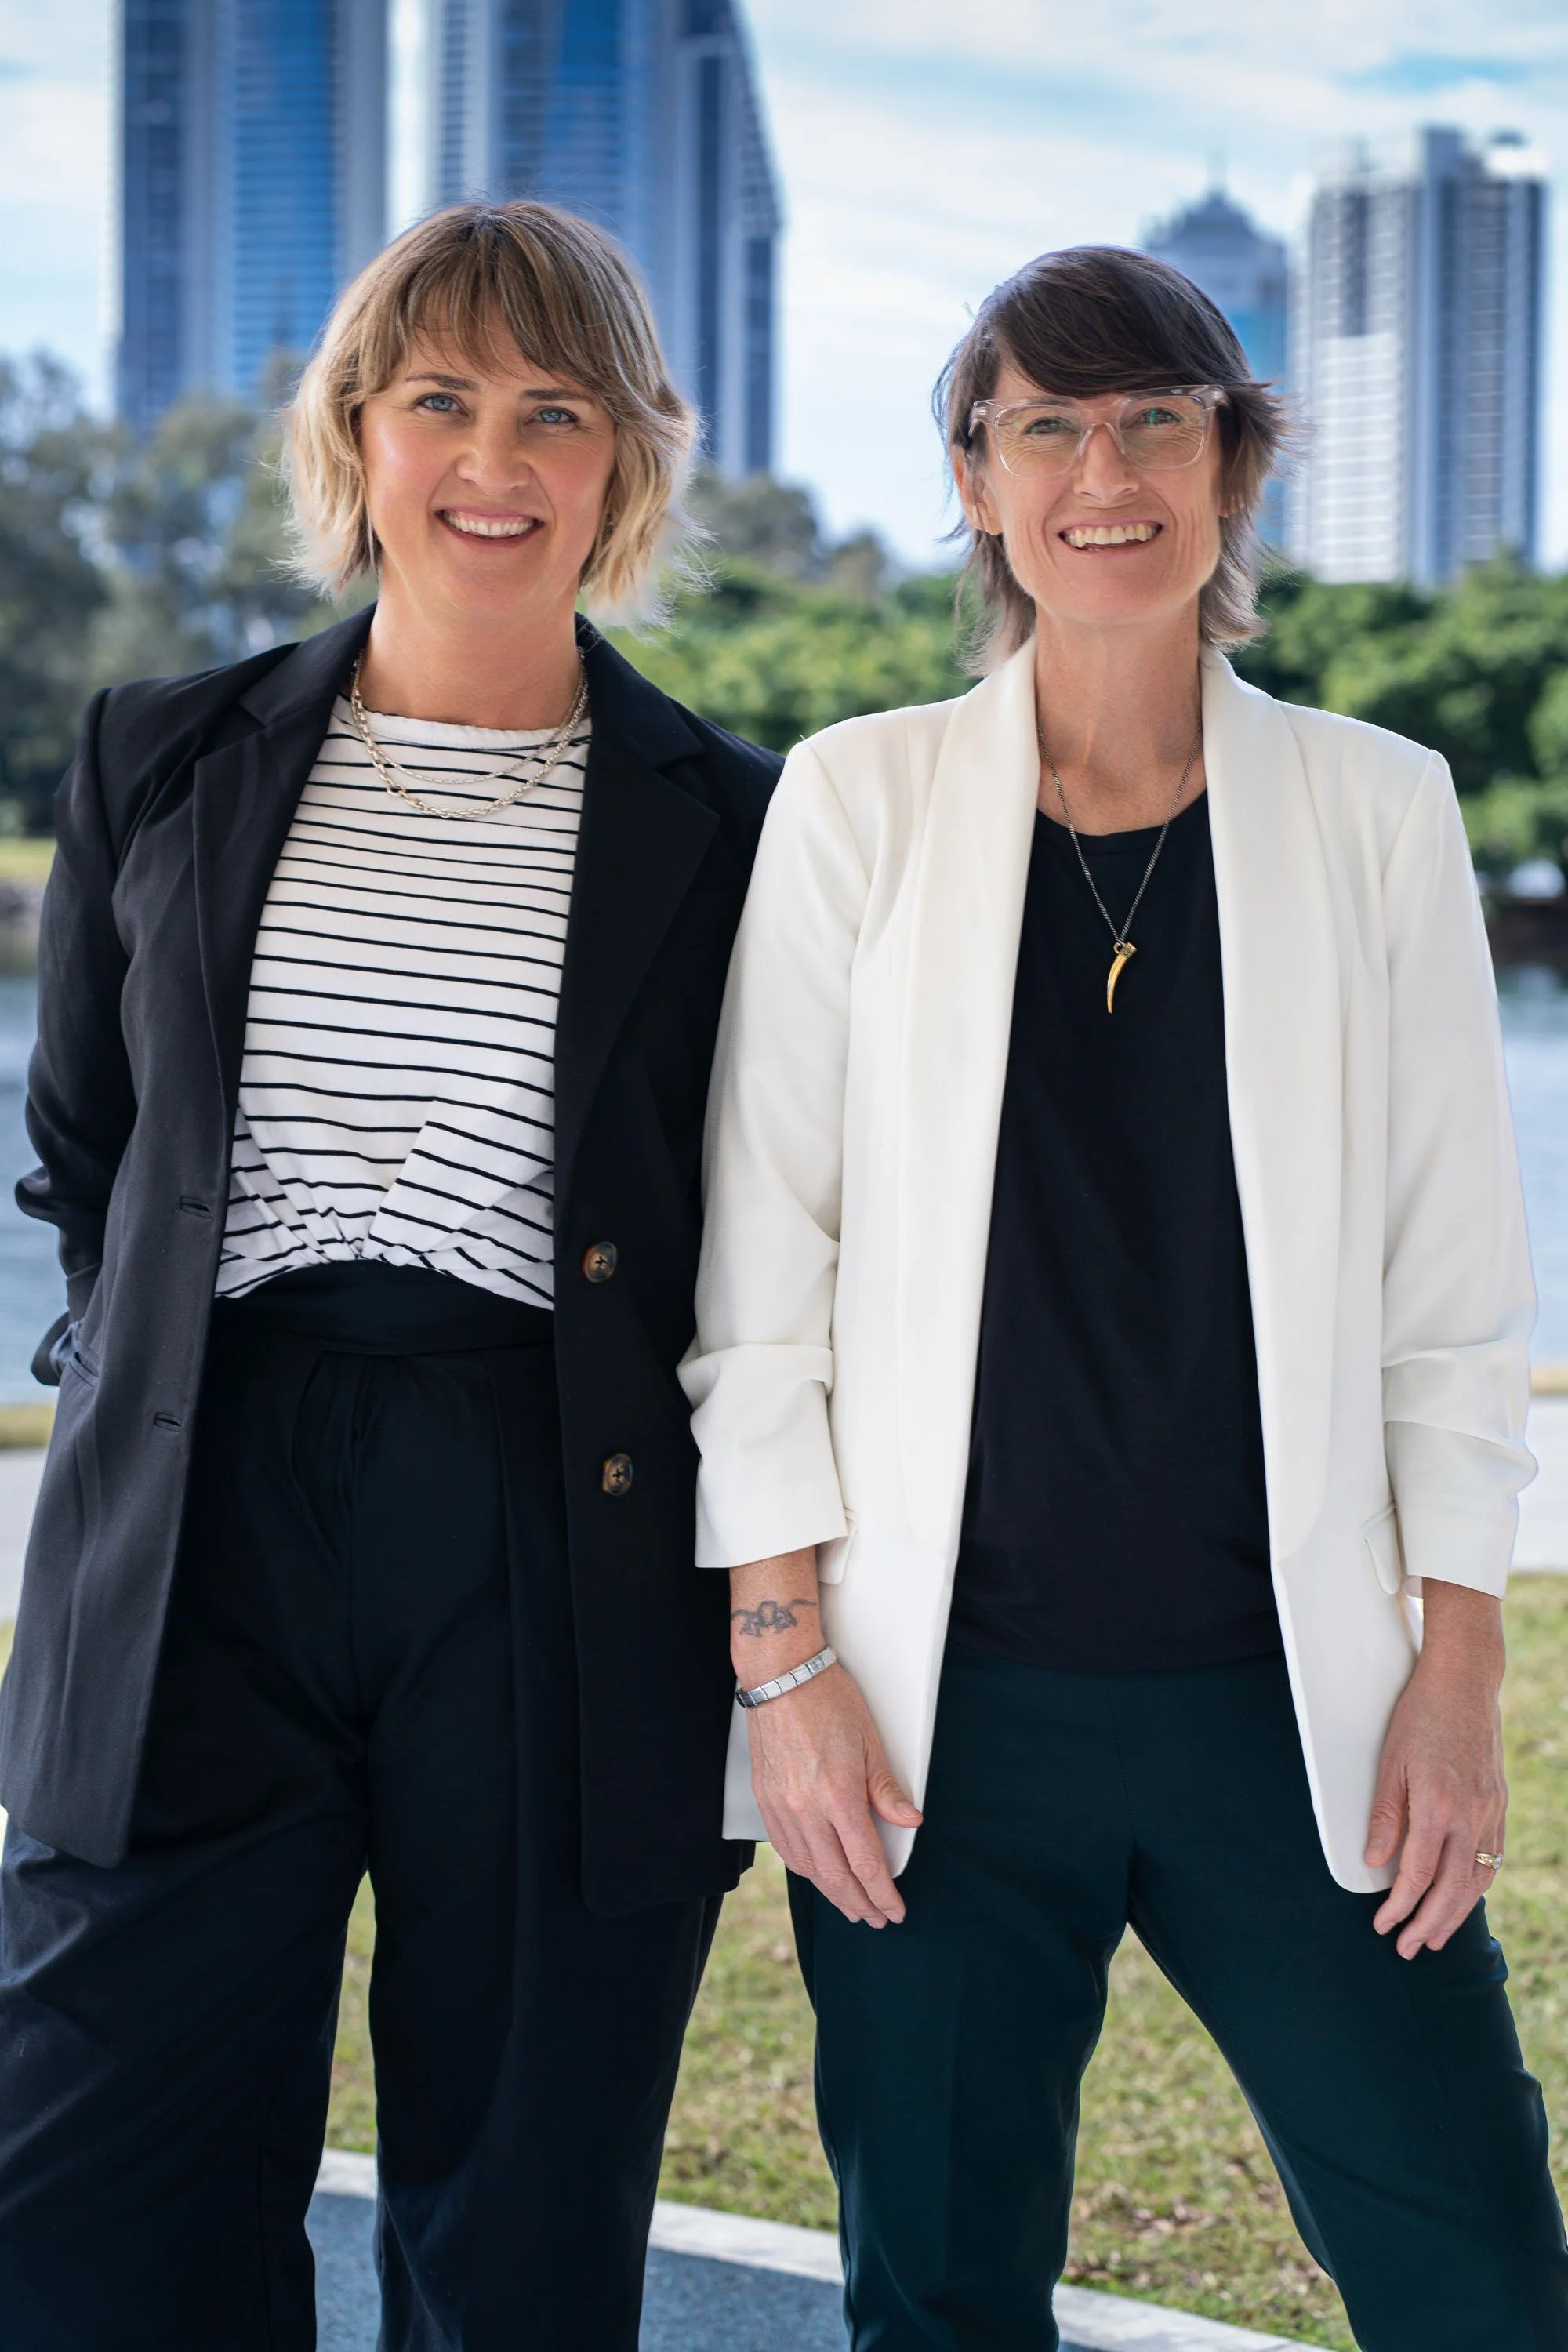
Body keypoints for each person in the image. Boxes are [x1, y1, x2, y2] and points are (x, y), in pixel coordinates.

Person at [681, 245, 1568, 2350]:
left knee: (1481, 2274)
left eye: (1156, 420)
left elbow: (1453, 1294)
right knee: (941, 2291)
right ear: (979, 482)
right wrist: (785, 1665)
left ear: (1232, 465)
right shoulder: (858, 802)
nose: (1105, 471)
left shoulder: (1376, 811)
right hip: (936, 1729)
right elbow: (760, 1278)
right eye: (1048, 427)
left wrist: (1459, 1672)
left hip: (1300, 1710)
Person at [0, 200, 775, 2350]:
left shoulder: (735, 824)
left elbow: (768, 1229)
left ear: (628, 458)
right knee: (80, 2211)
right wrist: (165, 1384)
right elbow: (91, 1147)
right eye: (441, 399)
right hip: (199, 1521)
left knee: (516, 2226)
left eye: (556, 408)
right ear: (358, 434)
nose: (494, 458)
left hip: (551, 1534)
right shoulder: (157, 753)